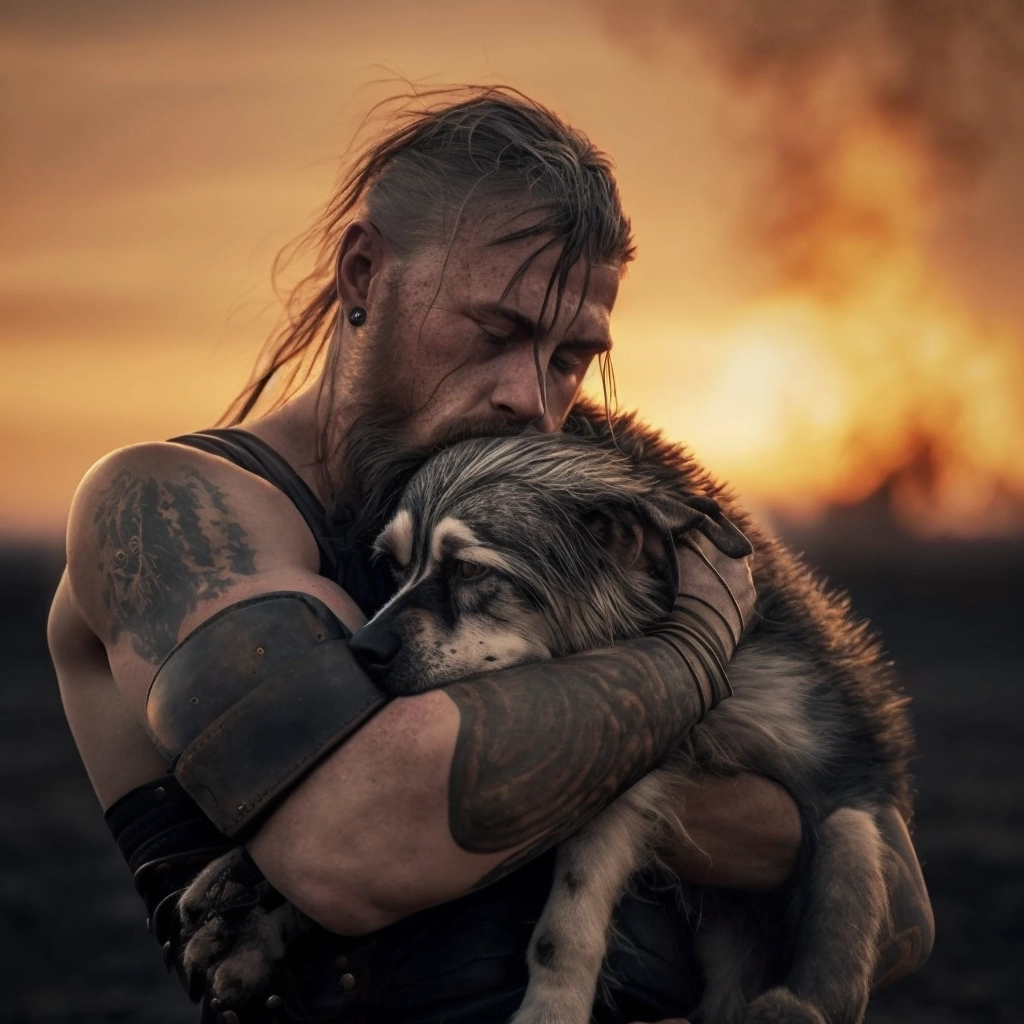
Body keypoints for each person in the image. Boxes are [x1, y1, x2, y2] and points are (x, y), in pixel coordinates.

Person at [48, 87, 933, 1024]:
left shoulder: (582, 501)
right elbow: (356, 847)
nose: (530, 398)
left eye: (567, 358)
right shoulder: (167, 508)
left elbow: (898, 901)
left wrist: (624, 788)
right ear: (361, 274)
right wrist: (689, 652)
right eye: (498, 330)